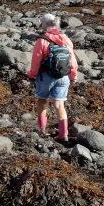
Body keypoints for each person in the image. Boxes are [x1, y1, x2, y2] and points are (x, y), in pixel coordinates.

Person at [28, 13, 78, 141]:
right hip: (63, 76)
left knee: (42, 101)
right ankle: (63, 134)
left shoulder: (42, 39)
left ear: (44, 25)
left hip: (46, 76)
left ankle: (42, 130)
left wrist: (32, 74)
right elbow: (72, 60)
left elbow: (36, 60)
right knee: (59, 105)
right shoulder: (66, 39)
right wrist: (73, 76)